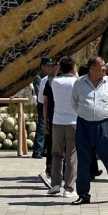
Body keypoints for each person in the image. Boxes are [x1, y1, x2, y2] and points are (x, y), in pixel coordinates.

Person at [70, 56, 108, 205]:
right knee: (83, 162)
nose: (105, 68)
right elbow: (73, 103)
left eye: (105, 65)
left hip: (104, 126)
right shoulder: (79, 83)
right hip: (84, 126)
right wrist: (84, 112)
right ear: (92, 68)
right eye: (102, 66)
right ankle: (83, 195)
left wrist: (106, 113)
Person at [47, 56, 78, 197]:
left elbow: (50, 75)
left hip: (57, 122)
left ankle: (55, 184)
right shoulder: (77, 82)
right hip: (73, 122)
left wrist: (58, 64)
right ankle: (69, 188)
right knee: (71, 155)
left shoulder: (56, 82)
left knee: (56, 154)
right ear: (73, 68)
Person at [39, 60, 59, 188]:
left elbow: (43, 102)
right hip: (70, 121)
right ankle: (64, 176)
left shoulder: (49, 81)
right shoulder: (76, 82)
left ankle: (50, 173)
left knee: (53, 149)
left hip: (54, 120)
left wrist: (45, 120)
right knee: (68, 151)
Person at [32, 57, 53, 159]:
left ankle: (45, 149)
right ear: (42, 67)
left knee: (49, 127)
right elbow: (38, 92)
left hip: (50, 104)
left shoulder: (52, 77)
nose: (50, 68)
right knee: (41, 127)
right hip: (42, 104)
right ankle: (37, 151)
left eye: (51, 66)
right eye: (48, 66)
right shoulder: (39, 79)